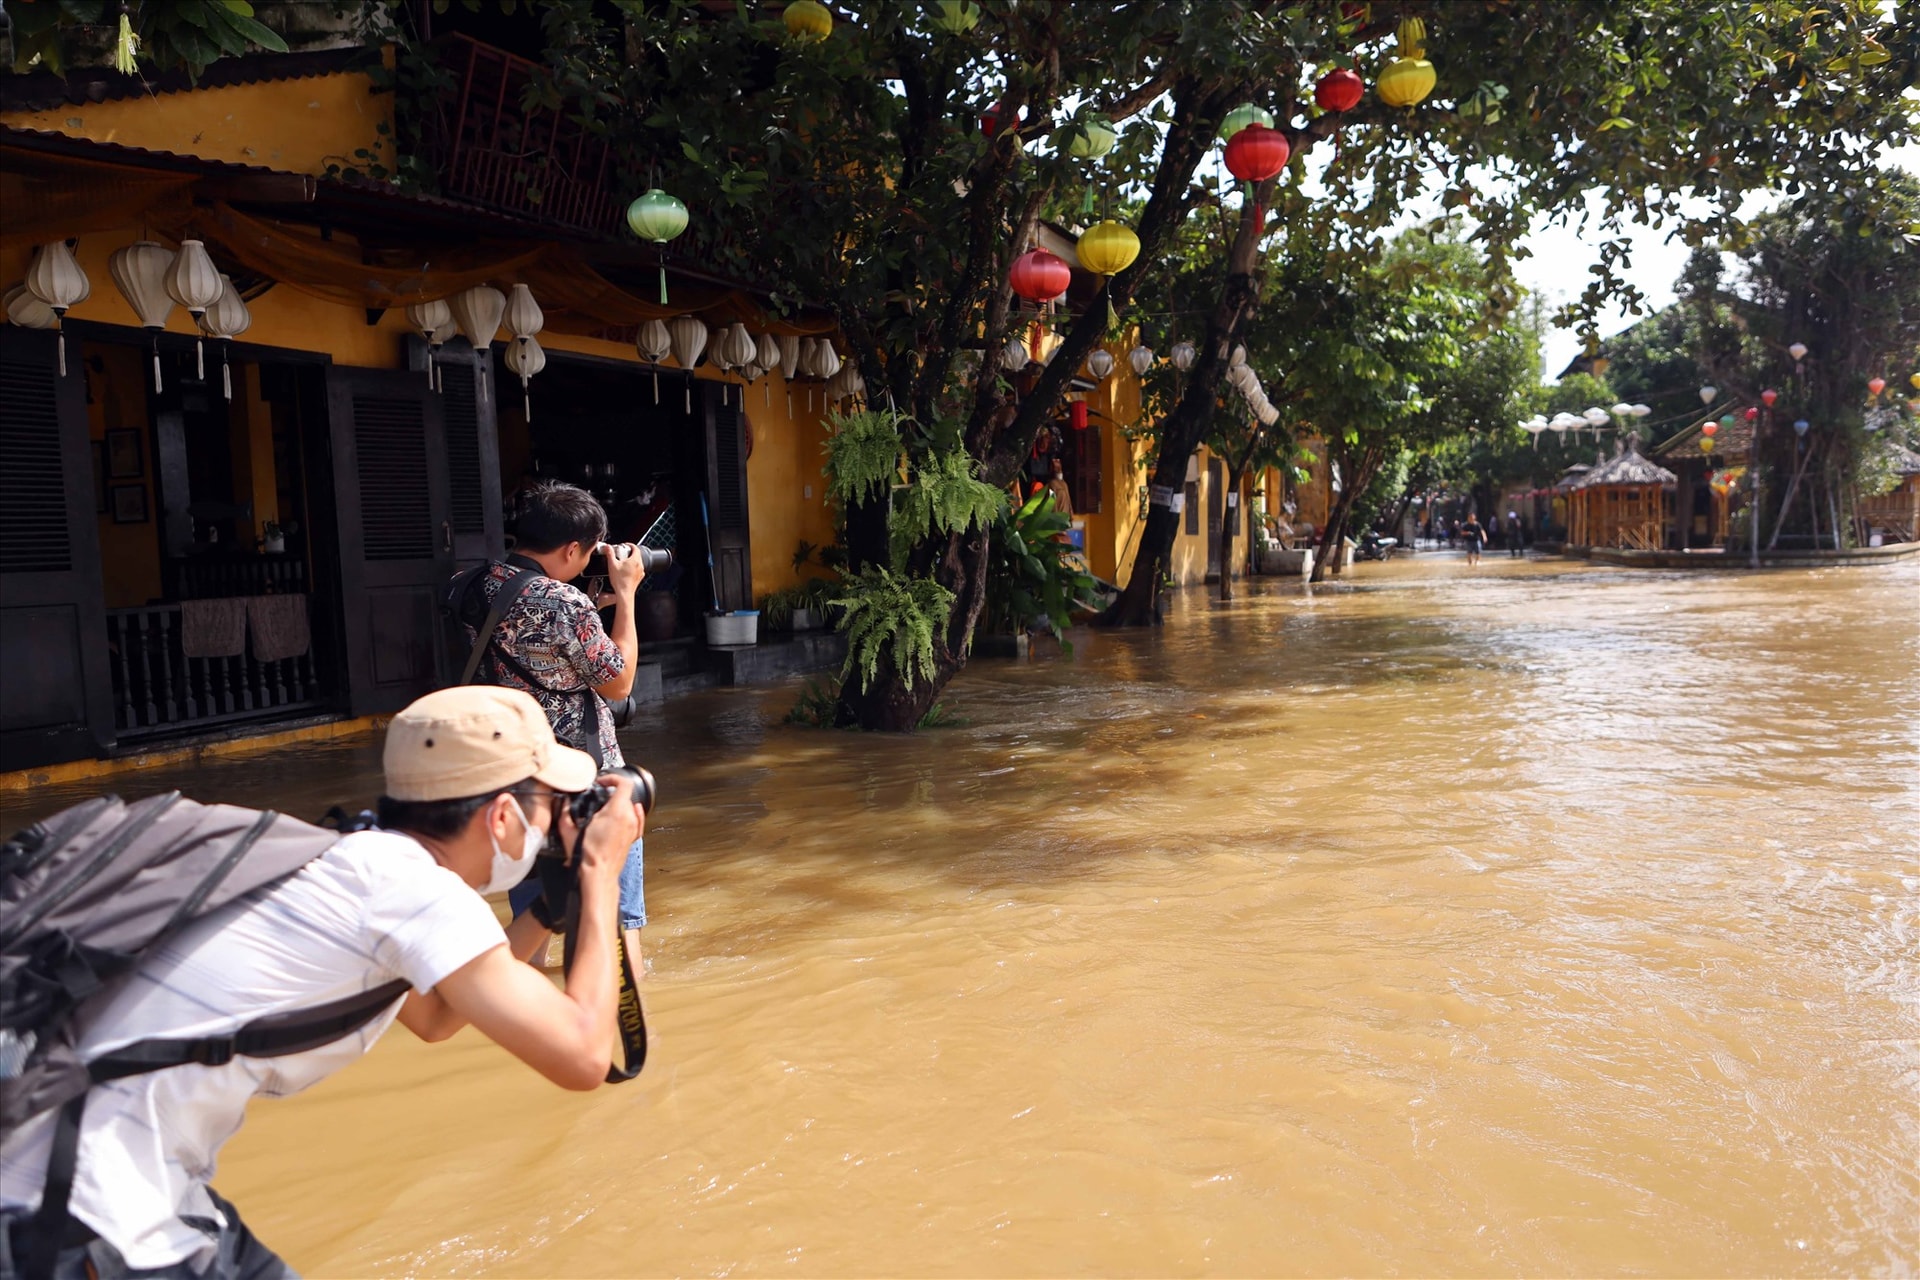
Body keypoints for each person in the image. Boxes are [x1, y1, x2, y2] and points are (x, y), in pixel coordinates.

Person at [0, 687, 639, 1280]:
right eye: (551, 805)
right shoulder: (416, 893)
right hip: (75, 1204)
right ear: (502, 816)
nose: (560, 823)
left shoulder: (356, 858)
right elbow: (583, 1055)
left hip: (92, 1170)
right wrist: (600, 872)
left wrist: (548, 910)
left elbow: (436, 1020)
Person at [453, 481, 650, 968]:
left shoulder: (476, 585)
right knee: (616, 927)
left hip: (514, 776)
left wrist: (586, 606)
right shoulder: (565, 605)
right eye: (585, 556)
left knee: (533, 921)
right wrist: (624, 596)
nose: (587, 565)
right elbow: (619, 682)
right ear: (571, 548)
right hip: (582, 773)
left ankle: (525, 1014)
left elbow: (528, 627)